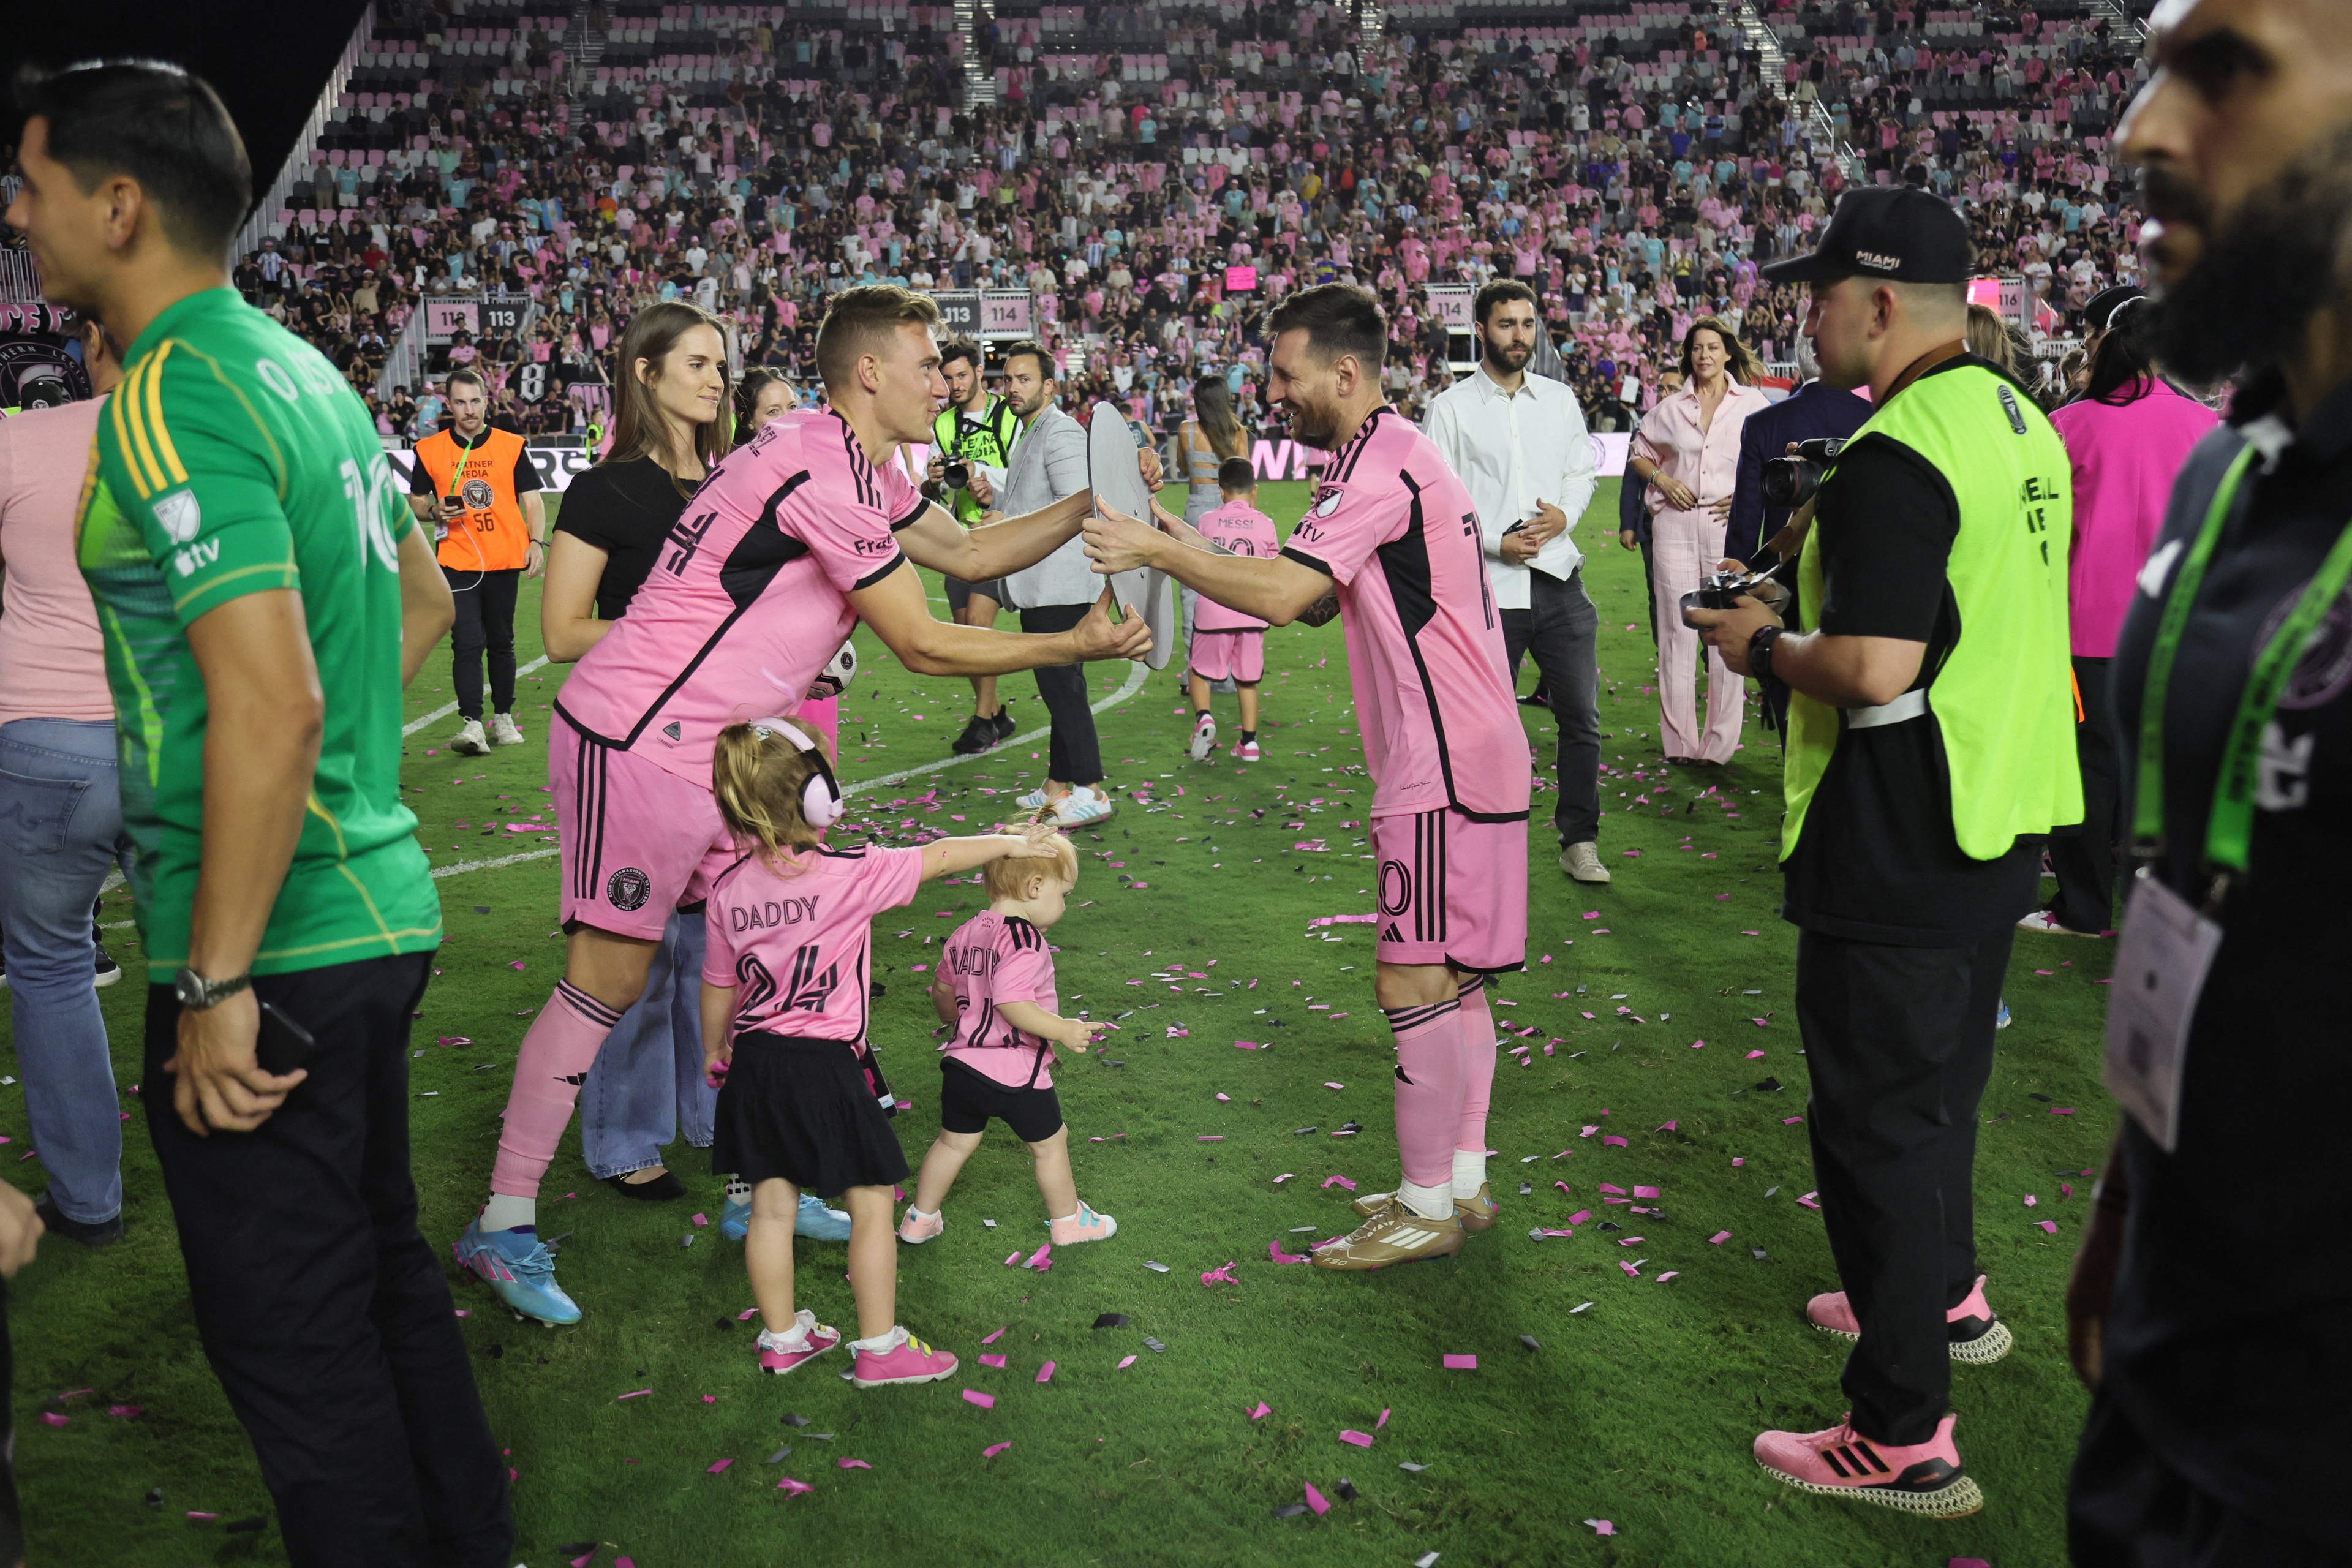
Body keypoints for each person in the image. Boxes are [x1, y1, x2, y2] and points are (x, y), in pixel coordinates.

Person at [11, 60, 510, 1564]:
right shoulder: (303, 367)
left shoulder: (173, 390)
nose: (18, 215)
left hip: (269, 946)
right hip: (375, 904)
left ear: (117, 206)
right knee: (380, 1277)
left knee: (294, 1341)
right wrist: (345, 767)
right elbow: (417, 597)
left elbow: (272, 699)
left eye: (30, 185)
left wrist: (213, 974)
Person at [453, 286, 1149, 1326]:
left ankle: (756, 1189)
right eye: (924, 366)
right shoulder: (819, 470)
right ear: (870, 373)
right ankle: (502, 1224)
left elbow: (964, 552)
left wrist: (1096, 512)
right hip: (638, 744)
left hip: (721, 758)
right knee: (607, 980)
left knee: (773, 950)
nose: (940, 381)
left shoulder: (845, 457)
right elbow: (920, 642)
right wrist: (1070, 645)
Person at [1689, 184, 2083, 1521]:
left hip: (1901, 833)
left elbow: (1871, 665)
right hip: (1999, 813)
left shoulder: (1898, 449)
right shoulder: (2019, 417)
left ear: (1875, 304)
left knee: (1873, 1127)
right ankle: (1945, 1294)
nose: (1806, 319)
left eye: (1816, 296)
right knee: (1938, 1098)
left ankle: (1901, 1429)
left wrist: (1760, 645)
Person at [2068, 3, 2352, 1559]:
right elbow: (2205, 893)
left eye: (2225, 66)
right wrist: (2129, 1204)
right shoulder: (2233, 464)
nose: (2142, 130)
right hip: (2172, 1364)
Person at [1082, 284, 1530, 1271]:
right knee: (1454, 975)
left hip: (1441, 758)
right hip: (1477, 746)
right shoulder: (1389, 454)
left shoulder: (1376, 462)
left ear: (1342, 371)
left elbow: (1287, 597)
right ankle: (1458, 1181)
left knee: (1412, 969)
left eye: (1285, 373)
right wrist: (1181, 534)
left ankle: (1423, 1209)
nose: (1272, 390)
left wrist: (1157, 548)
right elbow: (1320, 596)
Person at [537, 301, 844, 1240]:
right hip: (640, 750)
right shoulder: (602, 492)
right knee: (641, 958)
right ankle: (626, 1137)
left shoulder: (739, 478)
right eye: (700, 364)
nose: (719, 380)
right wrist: (691, 647)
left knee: (733, 943)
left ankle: (724, 1125)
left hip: (735, 749)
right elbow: (559, 633)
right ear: (644, 374)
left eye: (723, 364)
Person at [699, 717, 1058, 1384]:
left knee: (770, 1206)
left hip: (757, 1064)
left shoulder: (725, 890)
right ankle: (880, 1347)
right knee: (871, 1201)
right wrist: (1013, 839)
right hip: (826, 1064)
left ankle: (781, 1339)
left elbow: (719, 982)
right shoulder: (851, 874)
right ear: (817, 797)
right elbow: (944, 854)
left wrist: (714, 1046)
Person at [0, 315, 134, 1247]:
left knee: (49, 970)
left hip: (43, 734)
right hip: (182, 734)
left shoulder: (19, 438)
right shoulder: (227, 438)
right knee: (206, 968)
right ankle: (235, 1188)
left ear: (92, 341)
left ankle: (90, 1199)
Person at [2024, 304, 2215, 938]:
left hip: (2086, 632)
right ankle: (2150, 909)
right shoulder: (2205, 425)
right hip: (2176, 632)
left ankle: (2082, 907)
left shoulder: (2066, 424)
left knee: (2086, 769)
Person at [1422, 279, 1607, 884]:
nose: (1519, 336)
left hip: (1559, 581)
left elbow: (1583, 471)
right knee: (1479, 727)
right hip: (1490, 593)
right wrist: (1496, 544)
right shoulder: (1449, 409)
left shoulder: (1558, 399)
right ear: (1481, 330)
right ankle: (1474, 839)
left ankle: (1579, 841)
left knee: (1580, 718)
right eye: (1506, 324)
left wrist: (1564, 516)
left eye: (1527, 324)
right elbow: (1435, 504)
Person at [898, 829, 1120, 1246]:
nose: (1065, 904)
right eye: (1064, 893)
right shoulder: (1023, 939)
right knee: (1052, 1145)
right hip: (1015, 1071)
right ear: (1036, 886)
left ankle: (920, 1218)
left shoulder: (965, 932)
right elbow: (1012, 1003)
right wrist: (1063, 1029)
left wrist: (952, 1017)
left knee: (952, 1144)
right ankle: (1068, 1221)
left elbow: (943, 991)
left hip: (962, 1066)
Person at [1629, 317, 1774, 766]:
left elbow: (1775, 459)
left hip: (1724, 528)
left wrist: (1748, 497)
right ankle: (1679, 746)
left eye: (1712, 347)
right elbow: (1639, 452)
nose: (1704, 355)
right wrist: (1661, 480)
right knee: (1676, 634)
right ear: (1689, 356)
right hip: (1673, 525)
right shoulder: (1670, 408)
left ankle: (1719, 747)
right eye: (1697, 348)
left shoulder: (1753, 404)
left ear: (1728, 353)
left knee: (1725, 630)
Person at [995, 339, 1119, 827]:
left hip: (1059, 585)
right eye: (1007, 379)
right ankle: (1057, 784)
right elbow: (1036, 500)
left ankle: (1093, 790)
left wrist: (1008, 524)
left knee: (1062, 689)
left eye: (1023, 379)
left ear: (1049, 385)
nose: (1012, 388)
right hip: (1045, 582)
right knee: (1060, 687)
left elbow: (1074, 505)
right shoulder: (1034, 429)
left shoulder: (1060, 431)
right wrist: (999, 499)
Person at [1728, 334, 1874, 739]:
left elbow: (1745, 521)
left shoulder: (1764, 424)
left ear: (1798, 363)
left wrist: (1734, 596)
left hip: (1782, 588)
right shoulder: (1881, 415)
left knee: (1790, 702)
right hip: (1864, 581)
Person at [408, 366, 548, 756]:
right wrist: (434, 511)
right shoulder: (430, 449)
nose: (469, 410)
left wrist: (535, 542)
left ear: (486, 401)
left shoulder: (511, 445)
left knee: (501, 642)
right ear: (448, 405)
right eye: (460, 402)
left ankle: (503, 718)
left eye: (475, 401)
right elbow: (416, 501)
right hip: (457, 559)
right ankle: (472, 725)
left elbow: (532, 499)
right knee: (467, 642)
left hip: (504, 558)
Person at [927, 339, 1021, 756]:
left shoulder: (1009, 416)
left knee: (978, 628)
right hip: (956, 539)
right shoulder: (943, 424)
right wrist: (933, 480)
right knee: (966, 637)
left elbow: (1024, 478)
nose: (955, 385)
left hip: (998, 535)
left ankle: (983, 724)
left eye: (962, 375)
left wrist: (983, 475)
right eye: (948, 378)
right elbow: (932, 488)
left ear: (981, 373)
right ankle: (998, 712)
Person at [1183, 457, 1277, 763]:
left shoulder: (1207, 521)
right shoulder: (1266, 524)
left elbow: (1197, 563)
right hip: (1252, 611)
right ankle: (1249, 744)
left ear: (1221, 491)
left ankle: (1205, 719)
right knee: (1247, 678)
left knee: (1199, 670)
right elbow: (1274, 568)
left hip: (1214, 610)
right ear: (1254, 490)